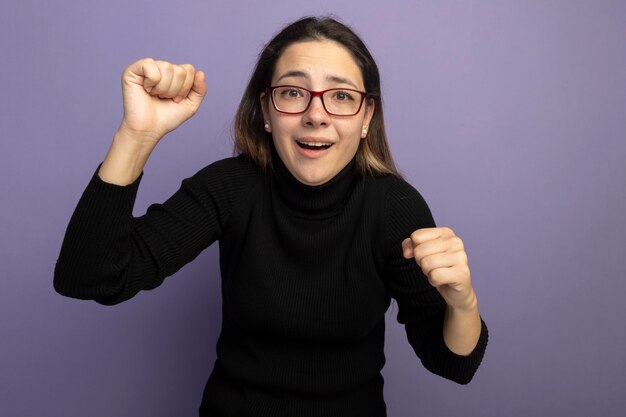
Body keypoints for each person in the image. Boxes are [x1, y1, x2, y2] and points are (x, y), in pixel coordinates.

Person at [55, 16, 487, 417]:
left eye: (340, 96)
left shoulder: (395, 207)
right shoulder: (230, 188)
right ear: (266, 111)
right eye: (293, 93)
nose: (315, 115)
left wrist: (462, 301)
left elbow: (452, 364)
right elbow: (91, 276)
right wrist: (137, 136)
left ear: (365, 117)